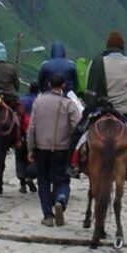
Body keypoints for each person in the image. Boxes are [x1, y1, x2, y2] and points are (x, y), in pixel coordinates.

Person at [28, 74, 82, 227]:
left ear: (49, 84)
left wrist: (30, 148)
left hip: (41, 148)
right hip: (62, 149)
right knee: (62, 179)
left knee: (43, 181)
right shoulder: (69, 104)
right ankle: (61, 200)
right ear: (63, 85)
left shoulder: (38, 102)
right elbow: (77, 126)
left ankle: (48, 216)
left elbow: (31, 128)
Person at [79, 30, 127, 164]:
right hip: (122, 111)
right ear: (122, 46)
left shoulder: (95, 63)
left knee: (77, 134)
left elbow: (88, 86)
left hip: (99, 110)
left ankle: (73, 164)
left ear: (107, 46)